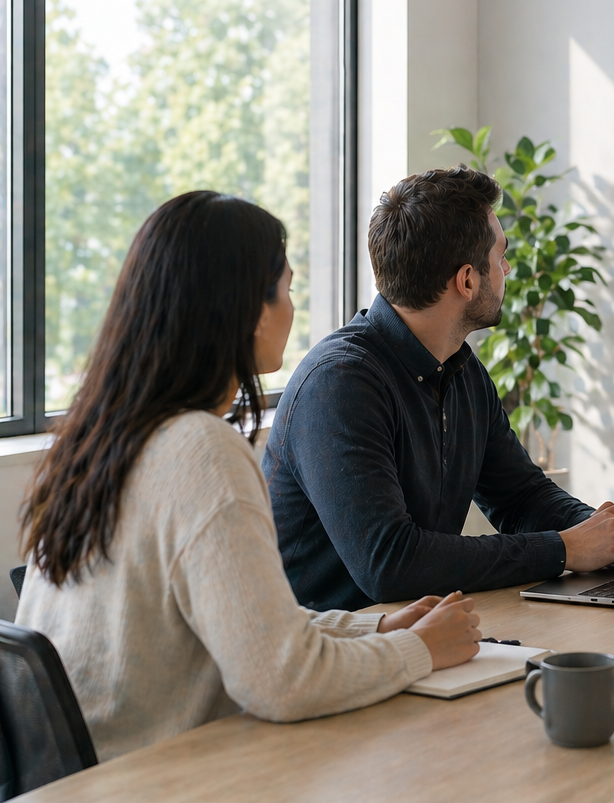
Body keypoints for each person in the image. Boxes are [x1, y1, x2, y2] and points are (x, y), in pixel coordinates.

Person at [16, 192, 483, 761]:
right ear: (247, 308)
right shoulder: (202, 451)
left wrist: (376, 629)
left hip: (88, 781)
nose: (292, 307)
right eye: (286, 289)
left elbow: (251, 627)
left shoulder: (99, 438)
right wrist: (419, 650)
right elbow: (282, 681)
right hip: (156, 782)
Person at [263, 167, 614, 611]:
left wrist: (599, 530)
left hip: (414, 637)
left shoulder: (460, 367)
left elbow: (520, 497)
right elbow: (390, 563)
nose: (506, 268)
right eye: (500, 256)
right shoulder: (338, 385)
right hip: (334, 656)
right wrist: (565, 549)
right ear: (467, 281)